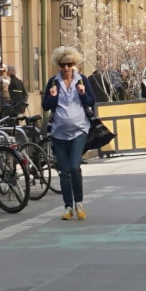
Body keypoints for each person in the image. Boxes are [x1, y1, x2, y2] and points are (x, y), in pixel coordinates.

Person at [41, 47, 101, 221]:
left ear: (74, 64)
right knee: (64, 171)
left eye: (69, 64)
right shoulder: (53, 82)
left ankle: (79, 203)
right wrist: (52, 97)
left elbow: (91, 101)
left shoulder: (81, 80)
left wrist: (82, 93)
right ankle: (68, 206)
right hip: (59, 133)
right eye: (63, 65)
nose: (66, 68)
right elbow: (46, 105)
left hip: (79, 131)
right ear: (58, 65)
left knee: (74, 167)